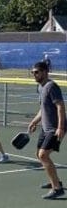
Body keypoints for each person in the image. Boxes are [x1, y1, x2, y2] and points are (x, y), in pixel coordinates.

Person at [28, 61, 65, 199]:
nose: (34, 74)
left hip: (54, 128)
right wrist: (34, 121)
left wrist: (60, 127)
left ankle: (57, 189)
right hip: (45, 127)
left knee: (44, 155)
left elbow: (60, 107)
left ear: (45, 72)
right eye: (33, 72)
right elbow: (43, 109)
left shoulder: (51, 86)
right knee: (39, 154)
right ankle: (54, 181)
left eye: (36, 72)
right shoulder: (40, 87)